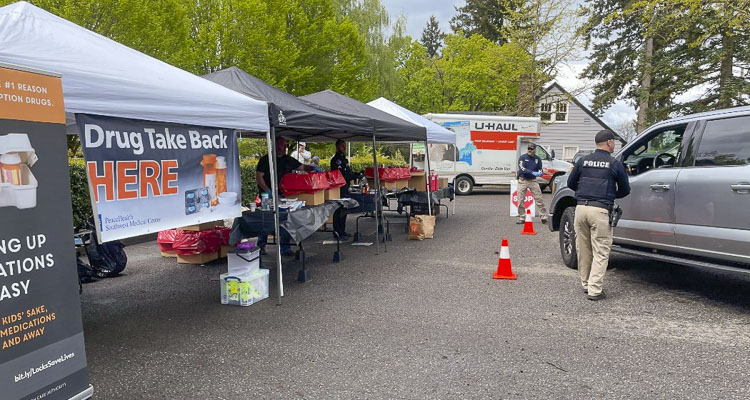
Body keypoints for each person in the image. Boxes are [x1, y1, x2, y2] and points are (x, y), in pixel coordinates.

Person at [567, 130, 630, 301]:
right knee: (601, 251)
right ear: (609, 142)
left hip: (580, 209)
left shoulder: (582, 161)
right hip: (600, 211)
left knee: (584, 249)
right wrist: (608, 196)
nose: (614, 144)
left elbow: (570, 183)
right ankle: (595, 290)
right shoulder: (614, 163)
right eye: (614, 142)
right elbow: (626, 189)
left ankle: (586, 284)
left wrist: (585, 193)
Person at [256, 136, 314, 255]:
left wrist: (314, 168)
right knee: (266, 220)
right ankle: (261, 246)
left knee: (286, 219)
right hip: (267, 195)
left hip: (284, 194)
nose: (281, 148)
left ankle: (285, 248)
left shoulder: (288, 159)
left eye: (283, 145)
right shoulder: (265, 160)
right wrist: (267, 190)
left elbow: (302, 167)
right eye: (279, 145)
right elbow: (259, 176)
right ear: (274, 146)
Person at [330, 139, 358, 239]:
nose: (344, 148)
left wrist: (356, 175)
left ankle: (342, 231)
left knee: (344, 209)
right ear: (337, 147)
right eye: (342, 146)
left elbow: (348, 172)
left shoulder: (344, 160)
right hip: (338, 188)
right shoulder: (335, 160)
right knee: (338, 210)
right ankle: (337, 232)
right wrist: (352, 176)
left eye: (344, 146)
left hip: (345, 187)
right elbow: (341, 174)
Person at [516, 143, 547, 224]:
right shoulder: (522, 158)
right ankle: (522, 217)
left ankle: (543, 217)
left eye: (531, 149)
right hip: (523, 180)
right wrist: (533, 172)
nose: (530, 150)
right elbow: (522, 169)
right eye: (528, 148)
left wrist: (540, 172)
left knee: (539, 199)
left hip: (533, 180)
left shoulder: (538, 159)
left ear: (535, 150)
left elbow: (540, 169)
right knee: (520, 199)